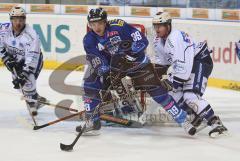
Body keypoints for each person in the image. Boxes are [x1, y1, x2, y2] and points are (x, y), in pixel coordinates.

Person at [77, 7, 196, 135]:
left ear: (105, 22)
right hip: (115, 68)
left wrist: (130, 53)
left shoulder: (119, 26)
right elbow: (97, 60)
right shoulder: (88, 40)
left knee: (158, 92)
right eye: (93, 24)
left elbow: (141, 40)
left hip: (137, 63)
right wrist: (106, 72)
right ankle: (93, 121)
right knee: (90, 84)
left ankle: (183, 120)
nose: (97, 27)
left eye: (99, 23)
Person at [152, 11, 228, 137]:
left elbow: (184, 67)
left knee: (190, 95)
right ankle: (196, 116)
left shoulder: (176, 38)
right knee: (172, 93)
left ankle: (216, 123)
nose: (157, 29)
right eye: (155, 26)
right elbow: (163, 64)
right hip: (186, 66)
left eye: (160, 26)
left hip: (200, 60)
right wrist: (154, 77)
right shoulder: (158, 41)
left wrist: (173, 82)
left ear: (168, 26)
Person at [0, 6, 46, 116]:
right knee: (18, 85)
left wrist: (24, 74)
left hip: (33, 61)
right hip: (14, 59)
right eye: (15, 20)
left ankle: (32, 103)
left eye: (21, 20)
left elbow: (32, 57)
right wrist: (6, 59)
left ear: (25, 20)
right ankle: (36, 99)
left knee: (27, 81)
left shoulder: (32, 35)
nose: (18, 23)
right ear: (11, 20)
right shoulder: (3, 29)